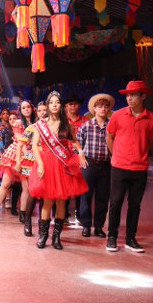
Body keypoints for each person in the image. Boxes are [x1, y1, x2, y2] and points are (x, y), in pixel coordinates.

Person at [30, 91, 88, 250]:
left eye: (57, 102)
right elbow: (34, 145)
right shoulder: (41, 124)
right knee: (47, 201)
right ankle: (43, 236)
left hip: (62, 165)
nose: (54, 105)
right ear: (48, 105)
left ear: (61, 105)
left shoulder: (66, 124)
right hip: (46, 164)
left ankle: (56, 237)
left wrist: (81, 152)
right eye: (51, 102)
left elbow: (74, 141)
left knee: (61, 202)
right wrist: (40, 164)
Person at [106, 81, 153, 253]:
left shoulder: (152, 119)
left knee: (135, 205)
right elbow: (109, 136)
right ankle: (112, 237)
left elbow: (152, 141)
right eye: (127, 95)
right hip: (119, 166)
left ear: (143, 96)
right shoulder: (118, 115)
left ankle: (130, 239)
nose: (129, 98)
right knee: (116, 202)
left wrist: (140, 151)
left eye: (133, 95)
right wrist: (116, 155)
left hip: (140, 168)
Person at [0, 102, 36, 224]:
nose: (26, 109)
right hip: (16, 153)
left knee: (26, 188)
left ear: (32, 108)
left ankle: (23, 213)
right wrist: (27, 156)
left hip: (29, 154)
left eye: (28, 107)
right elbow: (21, 141)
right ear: (21, 110)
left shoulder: (36, 123)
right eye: (23, 108)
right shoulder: (18, 123)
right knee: (5, 184)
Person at [77, 93, 114, 239]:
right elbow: (77, 144)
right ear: (94, 109)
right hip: (89, 164)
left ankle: (99, 226)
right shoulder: (86, 126)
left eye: (105, 106)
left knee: (103, 197)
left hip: (106, 165)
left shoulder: (112, 126)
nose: (103, 109)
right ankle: (86, 225)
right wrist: (80, 156)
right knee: (86, 195)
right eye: (100, 106)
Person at [18, 101, 47, 236]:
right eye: (40, 110)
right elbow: (20, 145)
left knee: (45, 193)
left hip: (48, 161)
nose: (43, 113)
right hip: (34, 161)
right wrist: (19, 161)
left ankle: (42, 224)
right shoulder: (33, 127)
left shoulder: (53, 127)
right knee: (33, 191)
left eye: (45, 110)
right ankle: (27, 221)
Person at [64, 94, 88, 224]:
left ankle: (79, 214)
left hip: (80, 156)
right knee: (64, 185)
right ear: (66, 106)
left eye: (75, 103)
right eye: (70, 103)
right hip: (64, 156)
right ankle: (63, 214)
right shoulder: (62, 121)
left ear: (79, 105)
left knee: (80, 185)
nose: (73, 106)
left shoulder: (85, 121)